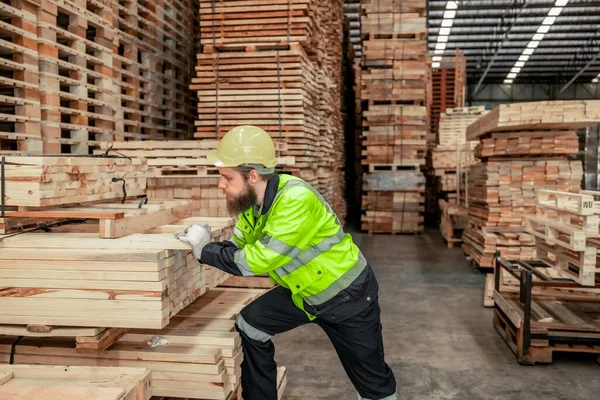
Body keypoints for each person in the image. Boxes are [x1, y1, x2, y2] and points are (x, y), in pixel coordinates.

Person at [175, 126, 397, 400]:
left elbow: (254, 262)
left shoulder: (295, 199)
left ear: (252, 175)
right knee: (251, 324)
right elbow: (239, 246)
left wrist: (203, 251)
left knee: (373, 383)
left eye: (227, 178)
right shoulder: (252, 207)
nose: (221, 185)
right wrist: (208, 242)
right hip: (304, 293)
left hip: (346, 297)